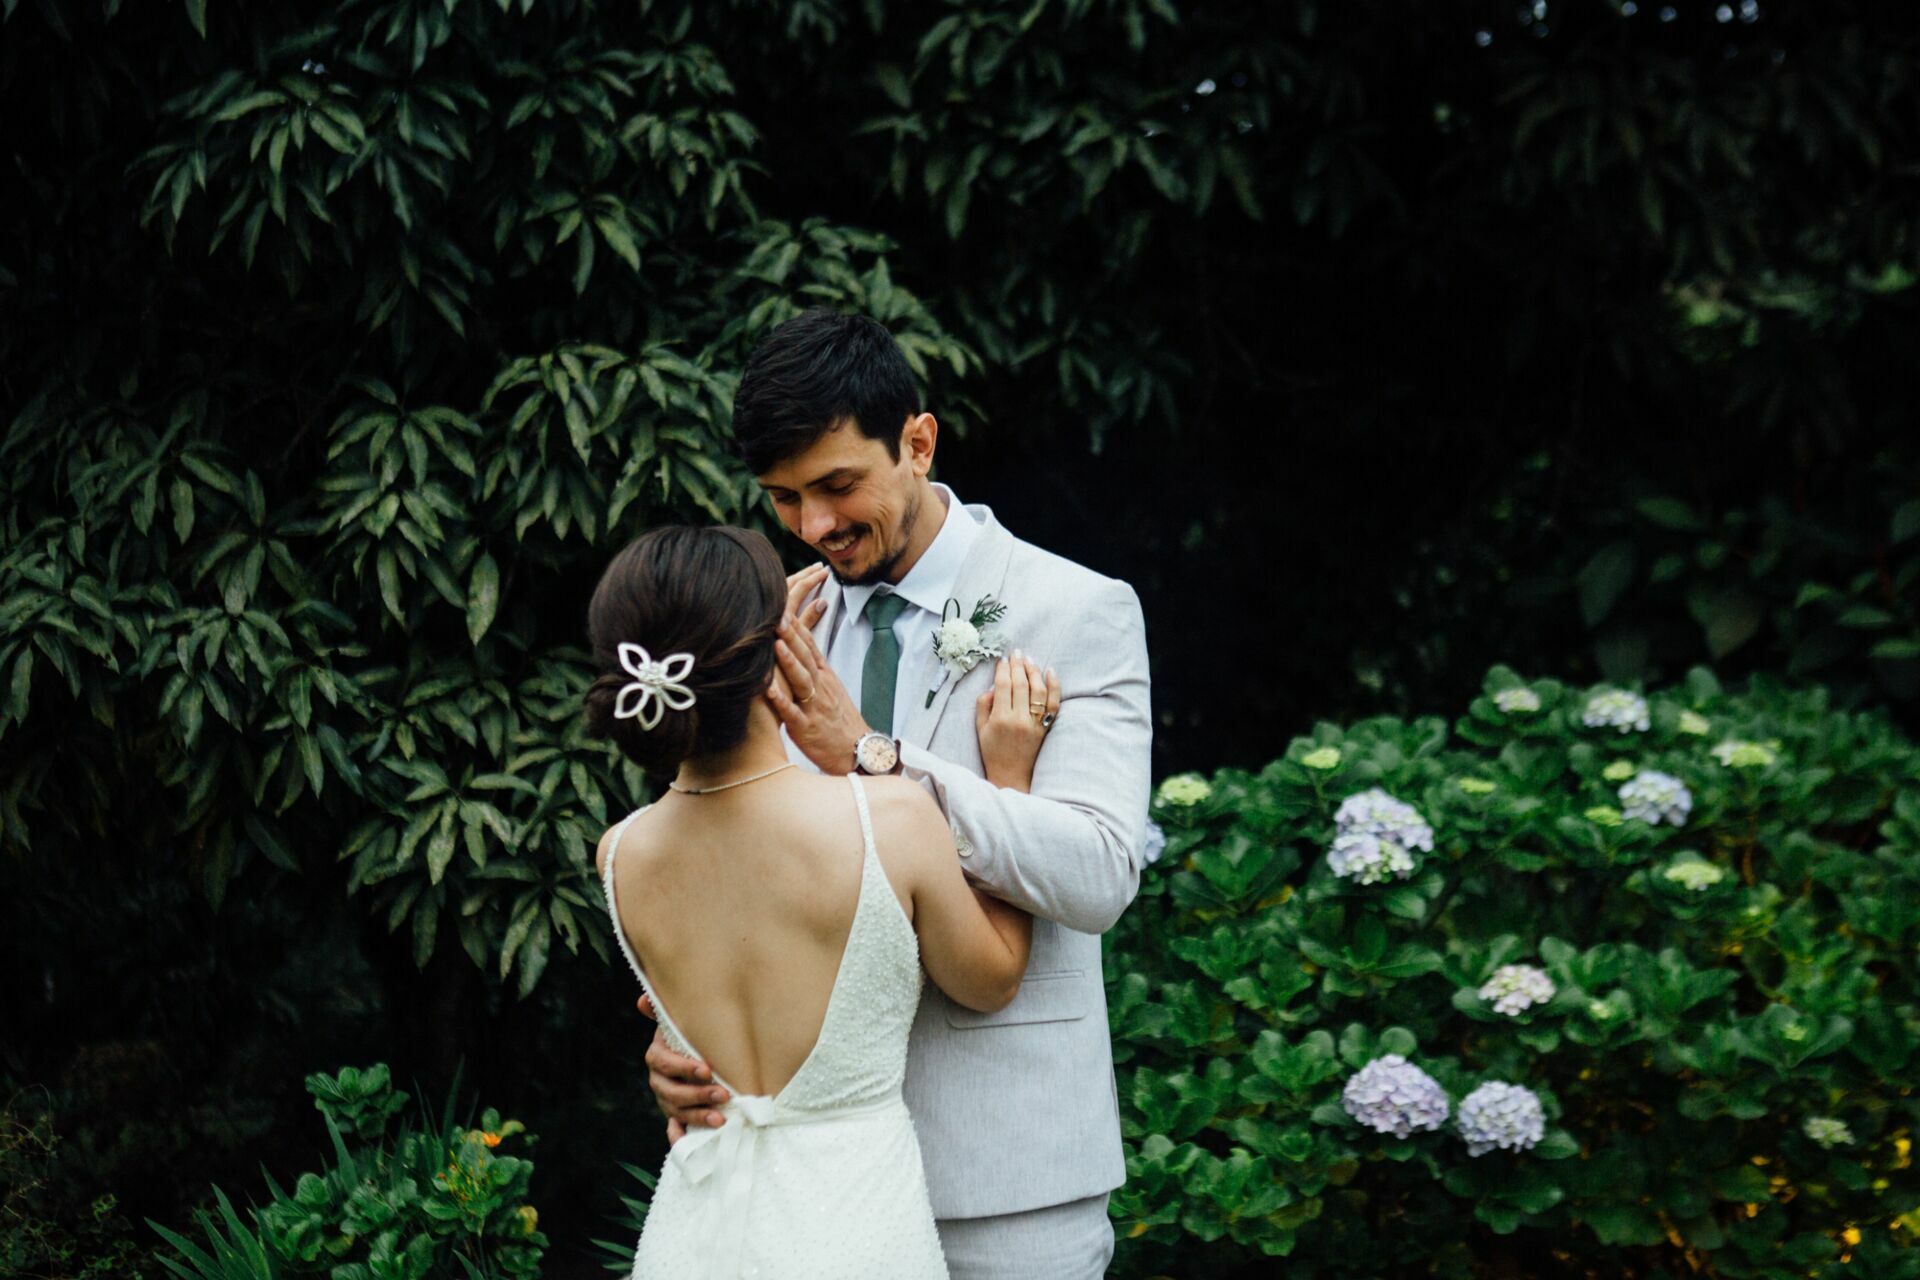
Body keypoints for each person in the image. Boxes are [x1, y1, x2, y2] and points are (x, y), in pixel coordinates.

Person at [640, 310, 1153, 1279]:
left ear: (918, 442)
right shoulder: (775, 627)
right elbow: (737, 877)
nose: (814, 527)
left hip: (1008, 1180)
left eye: (837, 486)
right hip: (813, 1181)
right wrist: (690, 1037)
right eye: (784, 498)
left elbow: (1098, 873)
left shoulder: (1075, 609)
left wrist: (874, 755)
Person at [586, 524, 1050, 1279]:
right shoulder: (887, 819)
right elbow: (991, 978)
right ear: (781, 649)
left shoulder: (621, 854)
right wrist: (1008, 785)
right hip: (854, 1231)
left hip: (694, 1236)